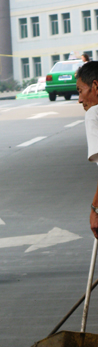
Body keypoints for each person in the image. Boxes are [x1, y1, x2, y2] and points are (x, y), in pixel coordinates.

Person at [77, 61, 98, 238]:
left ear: (95, 86)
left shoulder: (94, 114)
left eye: (80, 91)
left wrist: (95, 208)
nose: (80, 100)